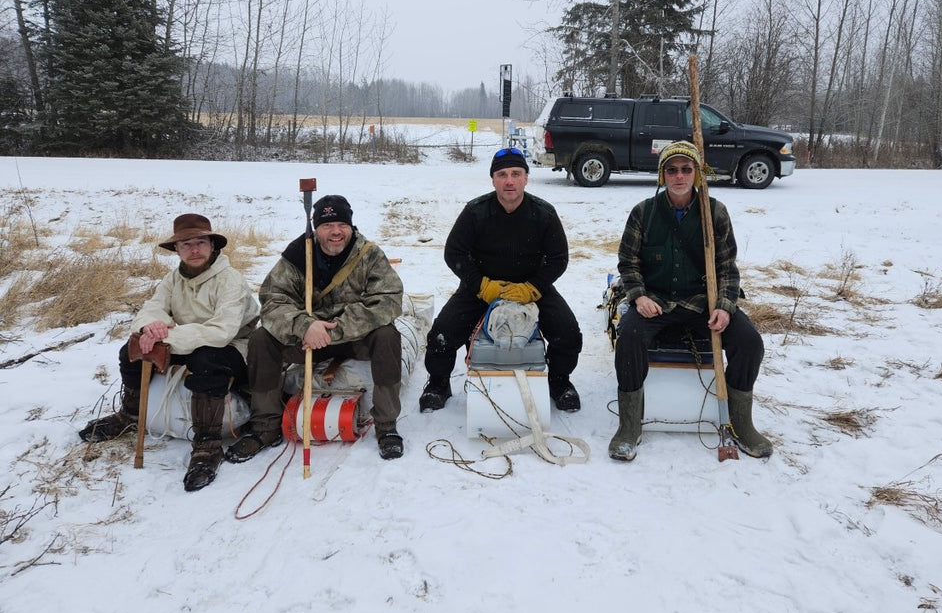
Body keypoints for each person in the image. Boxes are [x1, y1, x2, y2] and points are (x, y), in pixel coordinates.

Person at [609, 140, 773, 461]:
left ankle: (741, 422)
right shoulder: (643, 212)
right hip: (656, 302)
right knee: (628, 337)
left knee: (750, 342)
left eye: (687, 169)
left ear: (697, 173)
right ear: (662, 175)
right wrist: (639, 296)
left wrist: (725, 307)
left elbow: (727, 267)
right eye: (672, 170)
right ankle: (629, 425)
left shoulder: (715, 213)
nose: (679, 176)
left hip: (704, 302)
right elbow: (628, 263)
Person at [78, 214, 260, 491]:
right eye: (186, 244)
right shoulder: (173, 279)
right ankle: (131, 414)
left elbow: (222, 331)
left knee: (206, 360)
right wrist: (148, 329)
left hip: (234, 347)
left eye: (200, 242)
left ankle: (207, 444)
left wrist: (168, 336)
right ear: (176, 249)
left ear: (213, 245)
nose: (194, 250)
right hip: (184, 340)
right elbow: (152, 308)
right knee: (133, 349)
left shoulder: (230, 280)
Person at [225, 195, 406, 462]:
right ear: (315, 227)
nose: (336, 232)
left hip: (354, 336)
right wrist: (304, 325)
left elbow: (388, 300)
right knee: (263, 339)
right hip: (308, 338)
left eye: (342, 224)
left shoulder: (368, 255)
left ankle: (387, 426)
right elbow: (273, 301)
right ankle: (265, 426)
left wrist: (334, 330)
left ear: (351, 226)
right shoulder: (298, 256)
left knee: (388, 335)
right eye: (327, 225)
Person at [421, 146, 583, 413]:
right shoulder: (475, 212)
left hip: (530, 287)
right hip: (482, 287)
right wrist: (481, 285)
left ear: (526, 178)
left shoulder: (544, 213)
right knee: (442, 333)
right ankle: (438, 383)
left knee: (568, 333)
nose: (509, 181)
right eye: (502, 174)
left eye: (516, 174)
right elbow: (454, 252)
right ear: (493, 179)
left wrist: (533, 288)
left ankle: (559, 382)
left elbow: (558, 259)